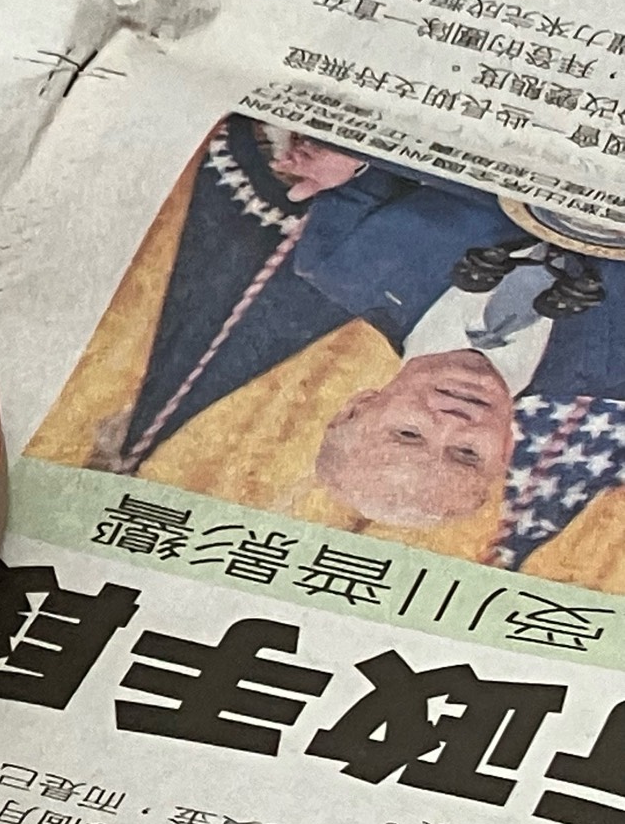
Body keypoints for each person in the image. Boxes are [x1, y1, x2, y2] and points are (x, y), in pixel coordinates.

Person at [111, 117, 625, 535]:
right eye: (467, 454)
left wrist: (350, 162)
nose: (451, 422)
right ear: (507, 450)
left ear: (358, 407)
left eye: (408, 433)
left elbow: (382, 142)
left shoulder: (340, 261)